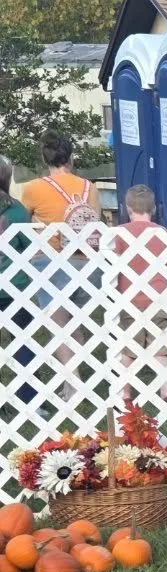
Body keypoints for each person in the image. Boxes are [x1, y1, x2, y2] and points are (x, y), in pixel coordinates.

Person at [20, 130, 103, 401]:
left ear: (46, 158)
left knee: (59, 325)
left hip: (51, 261)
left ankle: (73, 382)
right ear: (71, 157)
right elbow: (96, 222)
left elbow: (24, 222)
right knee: (74, 323)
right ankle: (72, 381)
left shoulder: (33, 188)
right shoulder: (89, 187)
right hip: (86, 263)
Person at [114, 184, 167, 403]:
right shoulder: (160, 232)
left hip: (129, 298)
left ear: (127, 208)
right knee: (160, 347)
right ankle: (165, 388)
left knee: (129, 348)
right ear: (153, 208)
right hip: (158, 297)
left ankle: (125, 390)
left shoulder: (120, 233)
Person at [0, 154, 37, 407]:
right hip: (16, 285)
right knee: (22, 341)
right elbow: (29, 248)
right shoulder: (16, 210)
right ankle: (27, 398)